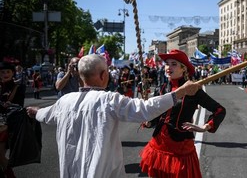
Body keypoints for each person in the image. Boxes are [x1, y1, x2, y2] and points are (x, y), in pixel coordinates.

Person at [26, 54, 201, 178]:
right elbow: (145, 109)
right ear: (104, 75)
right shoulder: (109, 100)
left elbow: (45, 114)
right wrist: (179, 93)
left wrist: (34, 111)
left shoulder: (64, 101)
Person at [139, 49, 226, 178]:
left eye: (174, 64)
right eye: (167, 63)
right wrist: (150, 121)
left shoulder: (192, 90)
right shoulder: (163, 87)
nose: (169, 67)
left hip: (180, 148)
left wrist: (205, 126)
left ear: (183, 69)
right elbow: (158, 114)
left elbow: (220, 110)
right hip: (158, 144)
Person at [0, 61, 26, 177]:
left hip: (6, 126)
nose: (5, 74)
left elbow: (19, 106)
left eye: (8, 71)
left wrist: (9, 104)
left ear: (13, 73)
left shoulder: (18, 87)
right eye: (2, 72)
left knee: (0, 155)